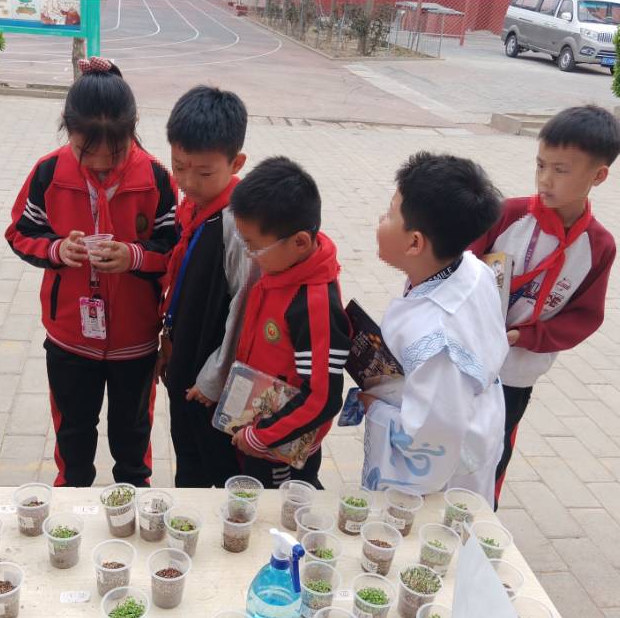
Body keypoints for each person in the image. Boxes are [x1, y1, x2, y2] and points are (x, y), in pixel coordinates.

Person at [5, 57, 177, 488]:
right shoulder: (49, 172)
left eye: (115, 152)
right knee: (73, 436)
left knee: (132, 439)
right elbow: (21, 232)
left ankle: (132, 501)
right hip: (69, 337)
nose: (101, 162)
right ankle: (71, 503)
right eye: (87, 150)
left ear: (132, 130)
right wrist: (57, 249)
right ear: (68, 129)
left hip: (135, 340)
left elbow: (174, 249)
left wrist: (134, 257)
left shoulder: (156, 178)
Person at [469, 105, 620, 508]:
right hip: (467, 352)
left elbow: (585, 316)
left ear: (598, 176)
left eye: (561, 170)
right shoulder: (508, 214)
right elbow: (460, 267)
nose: (545, 179)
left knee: (493, 450)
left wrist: (529, 336)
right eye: (540, 165)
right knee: (448, 435)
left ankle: (480, 517)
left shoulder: (598, 246)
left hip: (516, 369)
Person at [359, 152, 507, 507]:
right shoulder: (471, 267)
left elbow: (429, 436)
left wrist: (374, 406)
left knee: (426, 522)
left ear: (415, 243)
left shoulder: (436, 341)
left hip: (449, 449)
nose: (381, 219)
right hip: (469, 410)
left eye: (390, 213)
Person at [230, 157, 350, 488]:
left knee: (280, 507)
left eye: (254, 246)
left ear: (299, 242)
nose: (249, 254)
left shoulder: (314, 305)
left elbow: (322, 398)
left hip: (280, 449)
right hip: (261, 429)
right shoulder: (282, 271)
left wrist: (261, 436)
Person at [160, 85, 259, 488]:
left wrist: (215, 378)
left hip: (212, 382)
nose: (187, 181)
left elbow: (244, 306)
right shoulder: (194, 207)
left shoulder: (238, 224)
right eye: (178, 166)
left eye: (203, 173)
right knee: (187, 459)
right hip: (185, 362)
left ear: (236, 163)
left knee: (214, 469)